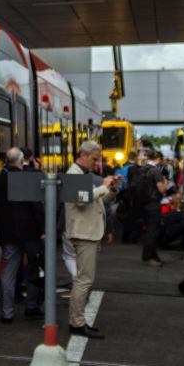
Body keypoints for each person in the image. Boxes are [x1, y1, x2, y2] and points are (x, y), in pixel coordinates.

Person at [64, 141, 116, 339]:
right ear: (83, 155)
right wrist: (103, 187)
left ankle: (78, 321)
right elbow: (81, 199)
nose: (96, 163)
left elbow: (95, 200)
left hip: (88, 232)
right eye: (94, 159)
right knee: (84, 280)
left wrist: (111, 190)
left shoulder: (80, 174)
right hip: (84, 233)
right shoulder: (73, 174)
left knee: (84, 279)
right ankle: (76, 323)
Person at [0, 148, 45, 323]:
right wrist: (42, 229)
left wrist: (0, 234)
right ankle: (31, 306)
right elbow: (36, 207)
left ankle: (7, 312)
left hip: (8, 234)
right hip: (29, 233)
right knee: (34, 268)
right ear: (22, 161)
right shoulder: (25, 179)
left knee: (8, 272)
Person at [140, 165, 170, 266]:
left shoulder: (144, 169)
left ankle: (153, 256)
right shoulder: (155, 171)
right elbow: (161, 189)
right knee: (153, 231)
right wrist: (165, 183)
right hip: (153, 204)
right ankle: (148, 257)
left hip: (145, 203)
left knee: (151, 230)